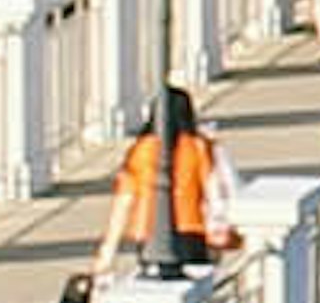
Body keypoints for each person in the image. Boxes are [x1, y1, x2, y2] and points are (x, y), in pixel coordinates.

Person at [93, 84, 242, 276]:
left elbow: (124, 201)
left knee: (154, 281)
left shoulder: (140, 151)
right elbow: (213, 190)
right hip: (192, 230)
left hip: (148, 231)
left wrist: (107, 251)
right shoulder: (199, 147)